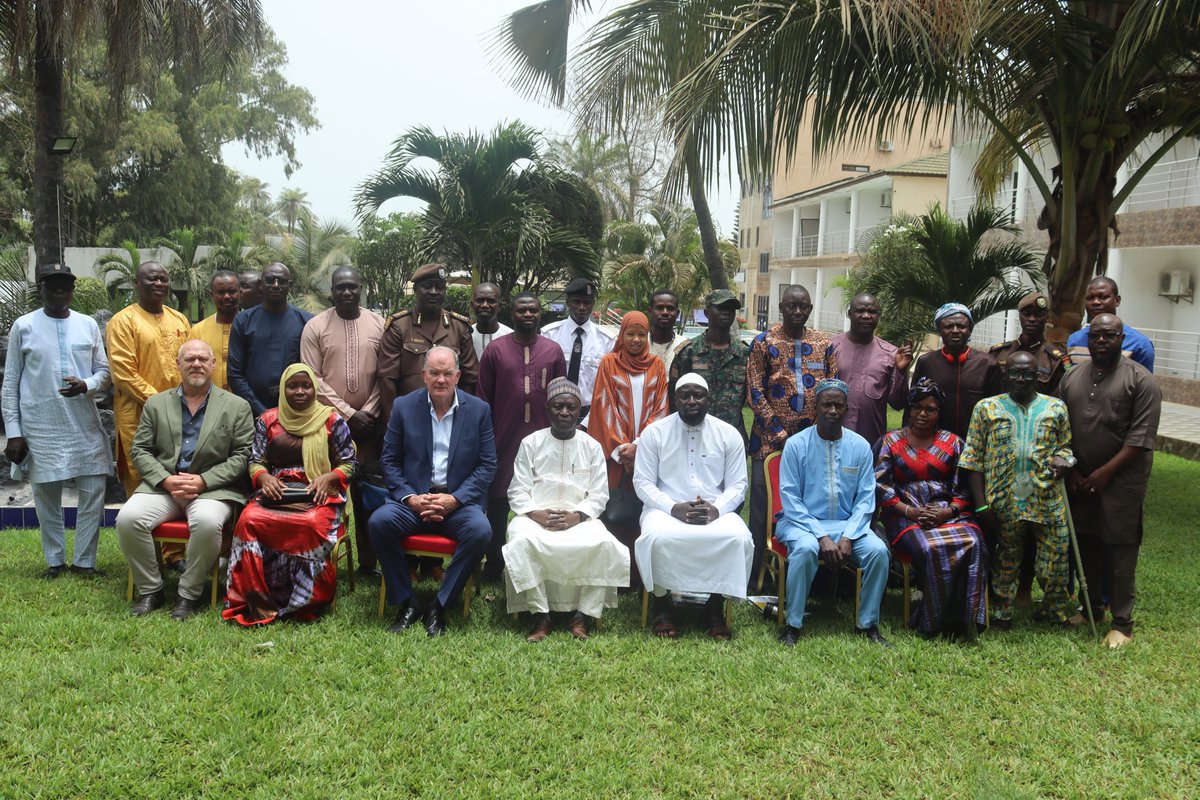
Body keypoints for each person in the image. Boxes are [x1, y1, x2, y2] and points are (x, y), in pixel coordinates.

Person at [117, 340, 254, 619]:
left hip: (212, 490)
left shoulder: (237, 406)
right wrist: (165, 480)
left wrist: (203, 481)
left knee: (206, 522)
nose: (197, 364)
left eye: (203, 359)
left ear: (214, 365)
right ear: (177, 364)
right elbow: (140, 450)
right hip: (164, 488)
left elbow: (243, 456)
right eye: (189, 359)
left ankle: (187, 594)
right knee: (128, 519)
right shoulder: (156, 403)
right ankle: (151, 589)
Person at [368, 346, 496, 637]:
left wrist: (455, 499)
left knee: (480, 531)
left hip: (457, 503)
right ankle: (407, 600)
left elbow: (487, 465)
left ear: (458, 376)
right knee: (379, 522)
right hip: (413, 501)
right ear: (424, 375)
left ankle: (440, 604)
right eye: (435, 373)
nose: (441, 380)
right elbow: (389, 460)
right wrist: (411, 498)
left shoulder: (478, 411)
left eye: (447, 373)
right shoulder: (403, 407)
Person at [222, 363, 358, 626]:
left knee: (309, 524)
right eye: (292, 386)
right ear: (283, 390)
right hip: (278, 491)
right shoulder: (267, 420)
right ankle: (255, 599)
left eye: (306, 386)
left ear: (314, 389)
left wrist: (330, 477)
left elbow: (350, 464)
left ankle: (305, 601)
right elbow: (255, 460)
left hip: (320, 493)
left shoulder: (332, 420)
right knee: (248, 521)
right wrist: (263, 476)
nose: (300, 391)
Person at [3, 264, 112, 578]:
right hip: (41, 426)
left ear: (72, 291)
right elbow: (10, 382)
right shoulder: (23, 326)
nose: (59, 292)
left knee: (93, 490)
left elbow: (103, 373)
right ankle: (54, 561)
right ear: (42, 290)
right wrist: (14, 432)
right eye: (52, 287)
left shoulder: (88, 324)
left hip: (84, 424)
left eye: (65, 287)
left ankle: (84, 562)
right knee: (46, 497)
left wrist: (86, 385)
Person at [1060, 314, 1161, 648]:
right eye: (1096, 335)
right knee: (1087, 546)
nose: (1102, 340)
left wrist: (1105, 473)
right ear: (1088, 338)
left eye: (1110, 336)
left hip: (1120, 482)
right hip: (1080, 479)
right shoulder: (1072, 377)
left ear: (1122, 338)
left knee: (1120, 551)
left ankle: (1122, 624)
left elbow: (1140, 438)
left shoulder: (1141, 381)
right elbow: (1060, 431)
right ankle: (1092, 611)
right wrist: (1073, 471)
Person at [504, 378, 629, 642]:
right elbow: (517, 490)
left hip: (579, 518)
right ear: (548, 410)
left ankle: (583, 616)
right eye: (558, 407)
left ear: (578, 410)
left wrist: (577, 516)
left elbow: (598, 495)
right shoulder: (531, 443)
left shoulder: (591, 446)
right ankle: (540, 615)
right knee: (522, 540)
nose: (564, 412)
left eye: (571, 407)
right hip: (535, 517)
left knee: (603, 543)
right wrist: (537, 514)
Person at [960, 351, 1076, 629]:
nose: (1021, 379)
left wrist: (1065, 459)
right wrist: (982, 505)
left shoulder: (1056, 408)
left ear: (1038, 376)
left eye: (1028, 374)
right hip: (1003, 499)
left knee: (1055, 560)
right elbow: (972, 459)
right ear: (1005, 375)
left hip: (1047, 497)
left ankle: (1054, 611)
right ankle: (1001, 612)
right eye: (1015, 373)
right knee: (1005, 559)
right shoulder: (986, 408)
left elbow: (1066, 447)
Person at [632, 374, 753, 640]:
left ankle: (714, 607)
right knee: (656, 537)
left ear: (709, 399)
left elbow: (738, 485)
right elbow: (642, 483)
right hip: (665, 509)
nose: (691, 401)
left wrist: (716, 509)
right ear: (675, 400)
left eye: (698, 395)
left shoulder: (728, 433)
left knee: (738, 538)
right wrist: (673, 507)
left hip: (713, 509)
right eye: (685, 395)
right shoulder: (655, 432)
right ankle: (662, 606)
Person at [774, 379, 891, 647]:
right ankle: (793, 624)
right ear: (815, 407)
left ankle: (868, 624)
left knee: (878, 552)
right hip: (800, 524)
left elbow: (865, 500)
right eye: (827, 404)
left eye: (839, 405)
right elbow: (790, 500)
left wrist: (849, 535)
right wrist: (821, 535)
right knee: (804, 550)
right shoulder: (796, 444)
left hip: (848, 526)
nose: (833, 410)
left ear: (847, 408)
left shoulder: (860, 446)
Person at [876, 378, 988, 637]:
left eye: (930, 409)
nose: (922, 414)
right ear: (909, 409)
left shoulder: (954, 442)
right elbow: (880, 485)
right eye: (917, 407)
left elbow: (965, 487)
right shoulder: (891, 441)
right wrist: (910, 511)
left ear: (940, 412)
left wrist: (948, 512)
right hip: (905, 516)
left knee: (973, 541)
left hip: (948, 513)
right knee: (929, 547)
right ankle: (934, 618)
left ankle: (962, 618)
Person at [745, 284, 837, 589]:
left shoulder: (825, 343)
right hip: (769, 440)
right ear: (781, 308)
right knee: (763, 507)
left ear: (810, 309)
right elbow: (755, 392)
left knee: (811, 503)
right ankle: (756, 575)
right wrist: (780, 431)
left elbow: (833, 389)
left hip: (813, 440)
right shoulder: (764, 342)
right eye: (791, 306)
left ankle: (810, 574)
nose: (797, 312)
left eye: (803, 307)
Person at [300, 266, 386, 578]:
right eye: (340, 287)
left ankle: (367, 563)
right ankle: (321, 558)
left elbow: (385, 375)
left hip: (370, 426)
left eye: (352, 286)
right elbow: (313, 378)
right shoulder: (315, 326)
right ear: (331, 291)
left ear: (361, 287)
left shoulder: (378, 323)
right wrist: (347, 415)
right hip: (326, 426)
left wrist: (368, 412)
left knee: (367, 495)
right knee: (326, 490)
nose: (347, 292)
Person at [475, 291, 565, 580]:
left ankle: (541, 563)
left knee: (542, 499)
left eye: (533, 310)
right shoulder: (496, 351)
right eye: (522, 310)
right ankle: (494, 564)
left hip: (543, 442)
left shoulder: (553, 351)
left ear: (540, 313)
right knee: (499, 502)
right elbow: (483, 399)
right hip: (503, 439)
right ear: (511, 315)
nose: (528, 315)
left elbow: (563, 397)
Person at [107, 260, 191, 569]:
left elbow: (190, 363)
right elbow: (123, 374)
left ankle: (175, 552)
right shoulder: (123, 321)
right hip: (139, 416)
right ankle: (153, 555)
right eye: (150, 279)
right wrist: (164, 402)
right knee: (143, 480)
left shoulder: (179, 318)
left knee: (174, 476)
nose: (158, 283)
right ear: (136, 283)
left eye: (163, 279)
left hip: (180, 416)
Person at [587, 311, 670, 586]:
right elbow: (603, 404)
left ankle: (638, 576)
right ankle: (613, 576)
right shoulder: (609, 363)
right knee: (613, 511)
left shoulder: (657, 365)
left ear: (647, 336)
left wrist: (640, 447)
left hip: (645, 455)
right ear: (621, 336)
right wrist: (622, 448)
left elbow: (660, 409)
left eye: (641, 334)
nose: (635, 340)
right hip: (615, 456)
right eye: (630, 334)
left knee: (642, 512)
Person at [377, 262, 478, 422]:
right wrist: (395, 422)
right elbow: (387, 380)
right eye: (427, 286)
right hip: (410, 417)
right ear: (415, 290)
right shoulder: (399, 327)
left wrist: (462, 419)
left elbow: (469, 379)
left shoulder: (459, 327)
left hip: (450, 417)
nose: (434, 292)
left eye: (439, 287)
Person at [227, 262, 313, 417]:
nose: (276, 285)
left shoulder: (307, 322)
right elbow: (234, 374)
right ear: (261, 284)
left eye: (282, 281)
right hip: (252, 412)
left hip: (296, 413)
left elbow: (313, 372)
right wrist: (263, 412)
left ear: (290, 285)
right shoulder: (243, 321)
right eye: (270, 280)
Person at [910, 302, 1001, 440]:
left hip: (976, 445)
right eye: (948, 326)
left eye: (961, 326)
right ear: (939, 330)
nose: (955, 330)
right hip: (933, 445)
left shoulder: (988, 364)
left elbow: (998, 410)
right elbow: (913, 405)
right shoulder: (926, 362)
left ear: (970, 329)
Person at [669, 289, 750, 444]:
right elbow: (675, 398)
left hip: (731, 437)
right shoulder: (688, 352)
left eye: (730, 309)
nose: (726, 313)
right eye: (720, 308)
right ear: (706, 313)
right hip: (692, 437)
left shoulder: (744, 354)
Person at [831, 292, 912, 447]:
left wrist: (901, 372)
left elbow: (898, 404)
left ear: (879, 315)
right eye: (860, 311)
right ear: (849, 314)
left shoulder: (892, 354)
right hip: (832, 438)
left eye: (872, 312)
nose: (866, 316)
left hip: (871, 441)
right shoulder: (830, 347)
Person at [541, 277, 614, 427]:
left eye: (587, 302)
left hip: (591, 416)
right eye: (576, 301)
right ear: (567, 302)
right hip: (553, 415)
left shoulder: (607, 340)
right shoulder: (549, 334)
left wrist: (586, 423)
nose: (582, 307)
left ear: (593, 304)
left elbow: (608, 387)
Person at [989, 291, 1070, 397]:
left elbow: (1057, 398)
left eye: (1038, 315)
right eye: (1027, 314)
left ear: (1047, 317)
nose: (1032, 319)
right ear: (1020, 316)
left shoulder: (1056, 360)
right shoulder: (998, 353)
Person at [1066, 276, 1155, 371]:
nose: (1095, 302)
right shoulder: (1074, 340)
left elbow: (1143, 383)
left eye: (1103, 297)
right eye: (1090, 298)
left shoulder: (1140, 344)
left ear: (1117, 300)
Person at [190, 270, 241, 392]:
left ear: (240, 293)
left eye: (232, 291)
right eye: (221, 292)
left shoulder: (250, 328)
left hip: (245, 403)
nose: (227, 296)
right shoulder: (198, 330)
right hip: (208, 403)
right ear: (211, 294)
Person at [469, 281, 512, 360]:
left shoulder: (511, 337)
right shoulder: (465, 336)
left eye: (491, 301)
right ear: (472, 305)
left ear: (499, 306)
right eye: (480, 300)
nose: (485, 305)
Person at [647, 288, 686, 373]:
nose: (665, 312)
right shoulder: (639, 344)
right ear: (650, 311)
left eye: (670, 308)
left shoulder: (686, 346)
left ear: (677, 313)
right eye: (659, 308)